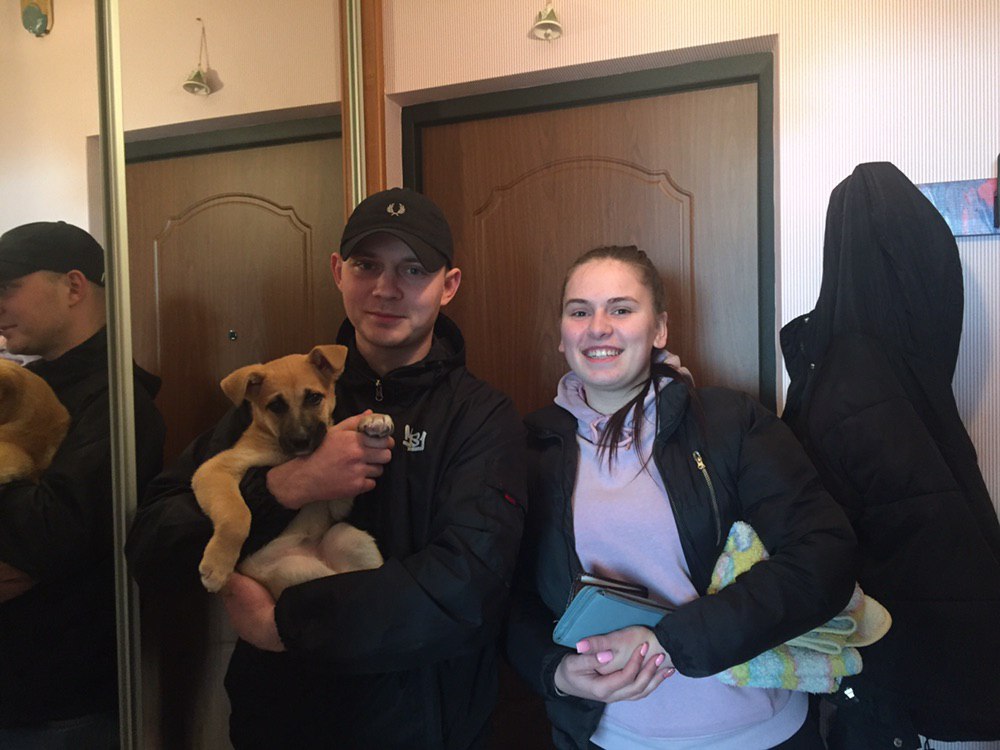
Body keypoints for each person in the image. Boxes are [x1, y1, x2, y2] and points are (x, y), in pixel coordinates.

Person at [125, 187, 527, 749]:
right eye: (367, 265)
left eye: (413, 269)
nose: (386, 288)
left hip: (423, 728)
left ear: (448, 285)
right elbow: (153, 545)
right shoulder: (278, 397)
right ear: (338, 271)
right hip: (280, 722)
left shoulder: (481, 417)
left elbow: (469, 586)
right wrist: (284, 489)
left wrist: (287, 625)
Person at [506, 245, 857, 749]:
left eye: (621, 309)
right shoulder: (530, 446)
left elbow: (824, 556)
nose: (598, 327)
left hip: (761, 736)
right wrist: (554, 671)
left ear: (660, 329)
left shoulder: (731, 423)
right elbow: (509, 596)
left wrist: (670, 644)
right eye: (579, 312)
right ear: (562, 335)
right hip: (609, 740)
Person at [781, 162, 1000, 748]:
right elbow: (929, 538)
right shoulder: (868, 380)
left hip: (864, 656)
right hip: (875, 664)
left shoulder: (839, 369)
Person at [0, 221, 166, 748]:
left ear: (74, 286)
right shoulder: (23, 388)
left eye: (8, 287)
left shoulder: (118, 402)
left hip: (60, 702)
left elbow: (47, 537)